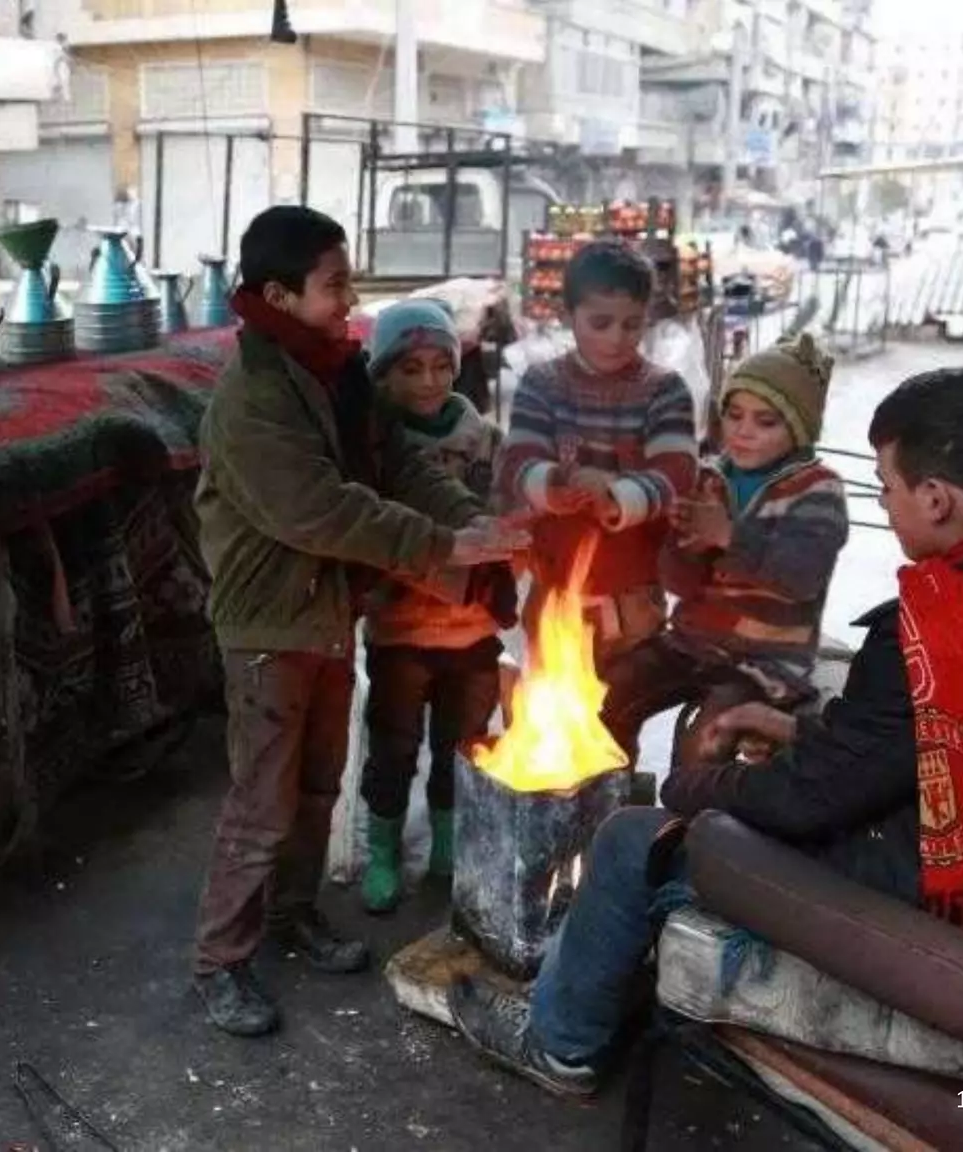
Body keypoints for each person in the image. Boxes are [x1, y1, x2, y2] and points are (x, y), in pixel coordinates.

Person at [448, 366, 963, 1099]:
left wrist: (693, 788)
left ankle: (559, 1045)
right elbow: (957, 741)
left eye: (888, 486)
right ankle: (611, 970)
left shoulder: (937, 628)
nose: (885, 500)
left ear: (938, 500)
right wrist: (801, 729)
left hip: (959, 924)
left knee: (635, 837)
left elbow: (804, 805)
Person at [190, 206, 527, 1037]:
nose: (350, 300)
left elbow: (401, 465)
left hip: (328, 616)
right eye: (335, 284)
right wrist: (445, 546)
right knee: (261, 802)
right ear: (279, 293)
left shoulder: (335, 372)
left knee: (316, 785)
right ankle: (218, 962)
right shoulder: (254, 396)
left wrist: (470, 527)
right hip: (270, 625)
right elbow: (323, 510)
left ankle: (290, 916)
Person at [599, 333, 849, 764]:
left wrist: (729, 535)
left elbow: (800, 580)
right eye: (734, 415)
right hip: (693, 643)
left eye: (765, 422)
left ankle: (690, 827)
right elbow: (679, 583)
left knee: (705, 744)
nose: (744, 432)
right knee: (605, 696)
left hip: (766, 663)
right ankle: (609, 804)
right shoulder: (711, 478)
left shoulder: (817, 490)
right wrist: (683, 548)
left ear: (799, 426)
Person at [357, 299, 518, 915]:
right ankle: (383, 855)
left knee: (466, 746)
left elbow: (509, 524)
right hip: (398, 634)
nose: (427, 381)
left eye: (440, 365)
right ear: (382, 376)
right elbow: (370, 538)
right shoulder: (375, 452)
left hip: (473, 638)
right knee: (393, 748)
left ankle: (450, 852)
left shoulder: (487, 444)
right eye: (409, 368)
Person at [495, 239, 699, 663]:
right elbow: (517, 465)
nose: (616, 338)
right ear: (569, 316)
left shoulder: (665, 391)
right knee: (552, 719)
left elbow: (678, 475)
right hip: (556, 591)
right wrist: (559, 483)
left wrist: (618, 496)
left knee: (617, 722)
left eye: (632, 324)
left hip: (634, 598)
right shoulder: (543, 384)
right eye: (600, 322)